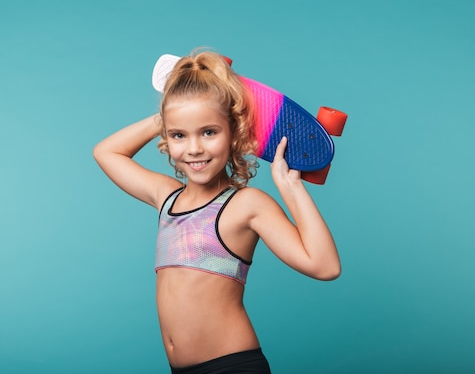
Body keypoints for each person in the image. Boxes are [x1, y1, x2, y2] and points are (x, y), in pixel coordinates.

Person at [93, 50, 341, 373]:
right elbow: (106, 153)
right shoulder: (166, 197)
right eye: (179, 134)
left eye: (208, 132)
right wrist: (174, 112)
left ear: (235, 132)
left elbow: (325, 266)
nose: (194, 148)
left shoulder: (245, 205)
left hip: (233, 366)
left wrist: (291, 188)